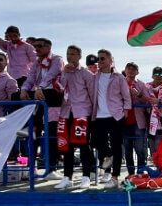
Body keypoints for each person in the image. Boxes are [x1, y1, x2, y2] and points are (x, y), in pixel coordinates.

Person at [55, 45, 97, 189]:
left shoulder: (86, 74)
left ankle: (86, 176)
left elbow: (93, 95)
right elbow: (59, 88)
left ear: (79, 56)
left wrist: (93, 114)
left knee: (84, 146)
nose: (70, 56)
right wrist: (64, 73)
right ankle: (67, 177)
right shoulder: (63, 72)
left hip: (82, 113)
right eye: (68, 54)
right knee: (67, 146)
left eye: (73, 54)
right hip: (66, 112)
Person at [22, 38, 63, 178]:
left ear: (48, 47)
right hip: (40, 98)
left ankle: (52, 168)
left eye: (39, 46)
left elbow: (52, 75)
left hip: (54, 98)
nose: (36, 49)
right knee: (34, 133)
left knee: (52, 133)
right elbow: (30, 78)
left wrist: (40, 87)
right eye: (34, 46)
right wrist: (24, 89)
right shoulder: (36, 63)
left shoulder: (57, 59)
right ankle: (31, 168)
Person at [91, 49, 131, 185]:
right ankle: (108, 156)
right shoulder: (94, 77)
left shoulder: (119, 77)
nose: (100, 61)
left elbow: (126, 96)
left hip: (116, 115)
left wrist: (126, 110)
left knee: (116, 145)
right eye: (98, 59)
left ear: (110, 60)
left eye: (102, 58)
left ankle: (115, 177)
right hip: (99, 115)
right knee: (97, 142)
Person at [122, 62, 152, 176]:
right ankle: (130, 174)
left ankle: (140, 173)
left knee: (140, 150)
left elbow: (148, 101)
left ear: (137, 72)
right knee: (128, 150)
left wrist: (138, 95)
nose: (131, 71)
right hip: (123, 121)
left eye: (133, 69)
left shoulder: (142, 84)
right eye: (128, 68)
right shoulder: (119, 82)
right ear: (125, 70)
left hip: (138, 122)